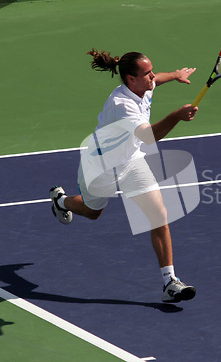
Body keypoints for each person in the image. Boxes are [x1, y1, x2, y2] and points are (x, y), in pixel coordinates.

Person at [50, 49, 198, 303]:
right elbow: (149, 137)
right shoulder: (122, 105)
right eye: (147, 73)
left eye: (152, 70)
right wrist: (176, 116)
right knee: (93, 212)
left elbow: (156, 81)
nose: (152, 76)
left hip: (131, 162)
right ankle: (61, 201)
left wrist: (174, 75)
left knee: (159, 216)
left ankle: (170, 282)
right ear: (131, 79)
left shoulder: (144, 85)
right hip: (100, 166)